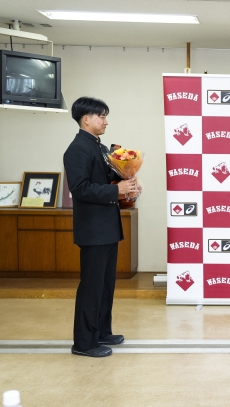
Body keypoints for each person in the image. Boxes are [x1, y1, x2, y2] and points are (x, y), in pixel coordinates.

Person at [63, 97, 138, 357]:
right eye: (101, 116)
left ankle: (102, 331)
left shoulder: (101, 147)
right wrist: (116, 190)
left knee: (106, 285)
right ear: (86, 119)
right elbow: (80, 189)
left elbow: (109, 182)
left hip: (107, 226)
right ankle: (84, 343)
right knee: (91, 286)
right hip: (93, 229)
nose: (106, 121)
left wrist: (128, 185)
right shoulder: (77, 149)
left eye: (106, 116)